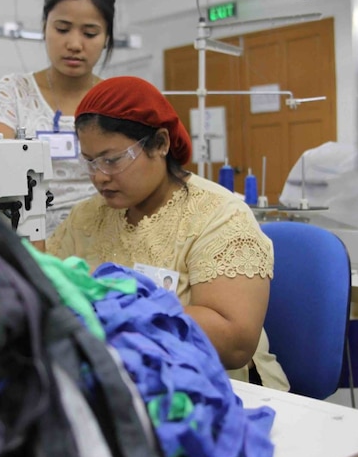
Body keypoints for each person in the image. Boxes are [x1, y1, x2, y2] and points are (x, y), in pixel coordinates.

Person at [47, 76, 289, 390]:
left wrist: (115, 311)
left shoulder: (218, 216)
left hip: (215, 391)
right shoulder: (86, 218)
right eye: (91, 162)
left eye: (113, 160)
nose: (99, 177)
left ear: (160, 143)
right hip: (121, 384)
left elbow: (234, 343)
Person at [0, 0, 115, 237]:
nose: (74, 44)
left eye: (90, 33)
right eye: (62, 29)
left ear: (107, 38)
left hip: (105, 235)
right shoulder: (13, 92)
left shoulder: (115, 99)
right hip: (28, 237)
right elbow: (1, 179)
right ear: (45, 26)